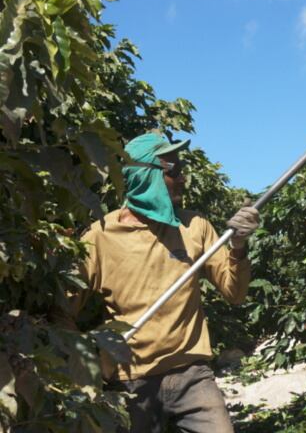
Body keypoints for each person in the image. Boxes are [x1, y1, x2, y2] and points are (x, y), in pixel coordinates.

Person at [68, 131, 259, 432]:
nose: (183, 179)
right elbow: (64, 310)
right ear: (146, 176)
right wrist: (84, 369)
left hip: (192, 374)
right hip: (131, 379)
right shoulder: (100, 237)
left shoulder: (194, 226)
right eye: (175, 171)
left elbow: (235, 293)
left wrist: (238, 246)